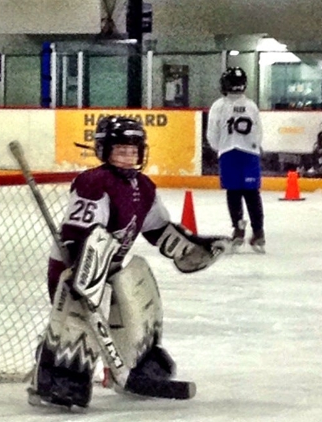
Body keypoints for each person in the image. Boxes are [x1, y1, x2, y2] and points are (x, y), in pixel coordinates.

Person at [28, 115, 230, 409]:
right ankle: (59, 377)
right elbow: (78, 234)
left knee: (137, 284)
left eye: (133, 150)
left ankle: (140, 360)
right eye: (121, 150)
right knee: (77, 317)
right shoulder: (93, 182)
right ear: (104, 151)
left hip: (110, 266)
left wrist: (189, 246)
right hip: (74, 266)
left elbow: (157, 229)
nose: (128, 156)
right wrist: (81, 273)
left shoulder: (144, 187)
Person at [206, 67, 265, 253]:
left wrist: (220, 147)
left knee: (233, 193)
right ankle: (258, 233)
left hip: (228, 152)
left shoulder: (219, 105)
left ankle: (238, 230)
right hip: (250, 154)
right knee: (252, 194)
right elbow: (258, 132)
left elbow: (212, 134)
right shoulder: (251, 106)